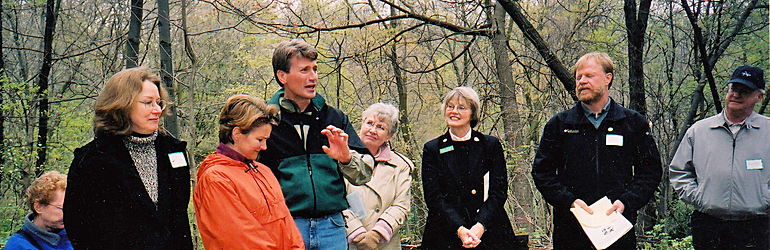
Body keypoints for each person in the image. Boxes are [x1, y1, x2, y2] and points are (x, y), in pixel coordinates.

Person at [531, 52, 661, 249]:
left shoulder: (632, 123)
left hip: (617, 229)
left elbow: (650, 172)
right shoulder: (559, 125)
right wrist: (570, 201)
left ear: (608, 78)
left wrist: (626, 201)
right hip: (571, 231)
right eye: (578, 77)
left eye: (589, 76)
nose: (582, 81)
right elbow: (542, 172)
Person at [259, 39, 374, 250]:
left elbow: (365, 173)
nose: (313, 77)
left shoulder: (335, 118)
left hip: (333, 226)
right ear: (282, 76)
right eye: (304, 70)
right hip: (287, 226)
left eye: (315, 69)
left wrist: (346, 158)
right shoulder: (266, 122)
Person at [64, 67, 192, 249]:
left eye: (159, 102)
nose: (157, 110)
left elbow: (180, 222)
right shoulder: (93, 158)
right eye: (148, 103)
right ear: (123, 104)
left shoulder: (174, 151)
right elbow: (79, 228)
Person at [670, 66, 769, 250]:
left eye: (744, 91)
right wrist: (699, 198)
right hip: (709, 224)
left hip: (756, 226)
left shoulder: (767, 132)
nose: (736, 95)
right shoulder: (699, 131)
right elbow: (679, 171)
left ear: (759, 96)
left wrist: (765, 200)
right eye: (733, 89)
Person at [194, 94, 305, 249]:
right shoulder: (216, 179)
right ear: (237, 134)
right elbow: (240, 240)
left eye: (266, 140)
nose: (264, 147)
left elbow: (289, 230)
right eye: (260, 140)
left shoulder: (263, 171)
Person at [421, 86, 516, 249]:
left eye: (461, 107)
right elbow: (434, 197)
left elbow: (498, 192)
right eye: (450, 106)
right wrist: (460, 229)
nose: (454, 111)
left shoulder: (490, 145)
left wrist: (480, 226)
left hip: (488, 230)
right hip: (446, 231)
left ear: (473, 113)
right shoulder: (432, 149)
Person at [343, 103, 413, 250]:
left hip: (385, 244)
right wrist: (358, 234)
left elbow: (402, 205)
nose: (372, 130)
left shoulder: (401, 165)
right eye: (369, 123)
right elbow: (335, 200)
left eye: (381, 127)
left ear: (389, 136)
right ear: (361, 125)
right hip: (348, 241)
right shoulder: (342, 157)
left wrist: (376, 235)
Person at [4, 171, 73, 250]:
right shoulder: (18, 246)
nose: (67, 214)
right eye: (61, 208)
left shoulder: (74, 239)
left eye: (69, 208)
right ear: (38, 207)